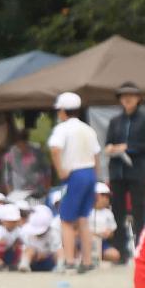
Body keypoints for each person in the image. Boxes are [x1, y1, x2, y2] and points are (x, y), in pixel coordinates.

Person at [47, 90, 101, 272]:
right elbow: (96, 154)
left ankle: (69, 260)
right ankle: (87, 260)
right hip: (90, 172)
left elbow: (55, 149)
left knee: (67, 219)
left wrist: (61, 170)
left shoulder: (62, 129)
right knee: (83, 219)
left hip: (74, 174)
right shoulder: (88, 129)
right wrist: (97, 177)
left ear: (62, 110)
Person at [103, 81, 145, 251]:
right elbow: (109, 141)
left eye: (131, 96)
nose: (127, 99)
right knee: (117, 210)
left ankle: (142, 248)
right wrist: (111, 147)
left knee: (138, 210)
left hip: (137, 170)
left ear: (138, 98)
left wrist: (127, 147)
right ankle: (120, 250)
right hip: (118, 170)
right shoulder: (115, 121)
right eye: (124, 96)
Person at [92, 183, 124, 264]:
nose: (106, 199)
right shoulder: (85, 211)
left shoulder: (108, 213)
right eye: (104, 195)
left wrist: (108, 233)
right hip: (85, 242)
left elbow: (112, 232)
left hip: (102, 243)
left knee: (115, 255)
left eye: (108, 196)